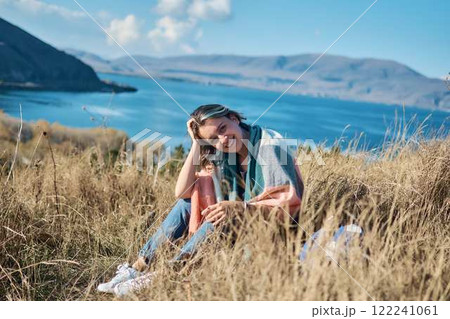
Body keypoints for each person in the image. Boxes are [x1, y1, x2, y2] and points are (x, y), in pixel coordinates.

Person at [97, 104, 304, 297]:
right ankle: (137, 268)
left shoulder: (269, 147)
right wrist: (196, 143)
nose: (222, 139)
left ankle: (169, 272)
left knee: (223, 214)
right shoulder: (225, 153)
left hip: (275, 229)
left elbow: (289, 207)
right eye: (213, 138)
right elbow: (183, 192)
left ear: (234, 118)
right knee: (190, 201)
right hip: (242, 220)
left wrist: (240, 207)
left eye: (223, 127)